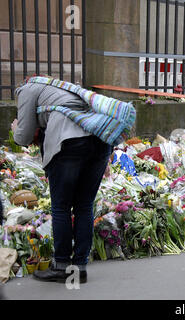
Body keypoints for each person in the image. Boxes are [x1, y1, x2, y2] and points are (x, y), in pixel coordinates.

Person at [12, 77, 115, 284]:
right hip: (101, 140)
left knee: (61, 206)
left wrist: (16, 129)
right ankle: (79, 268)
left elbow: (23, 137)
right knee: (84, 206)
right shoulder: (65, 88)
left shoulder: (26, 90)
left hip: (69, 142)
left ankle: (61, 267)